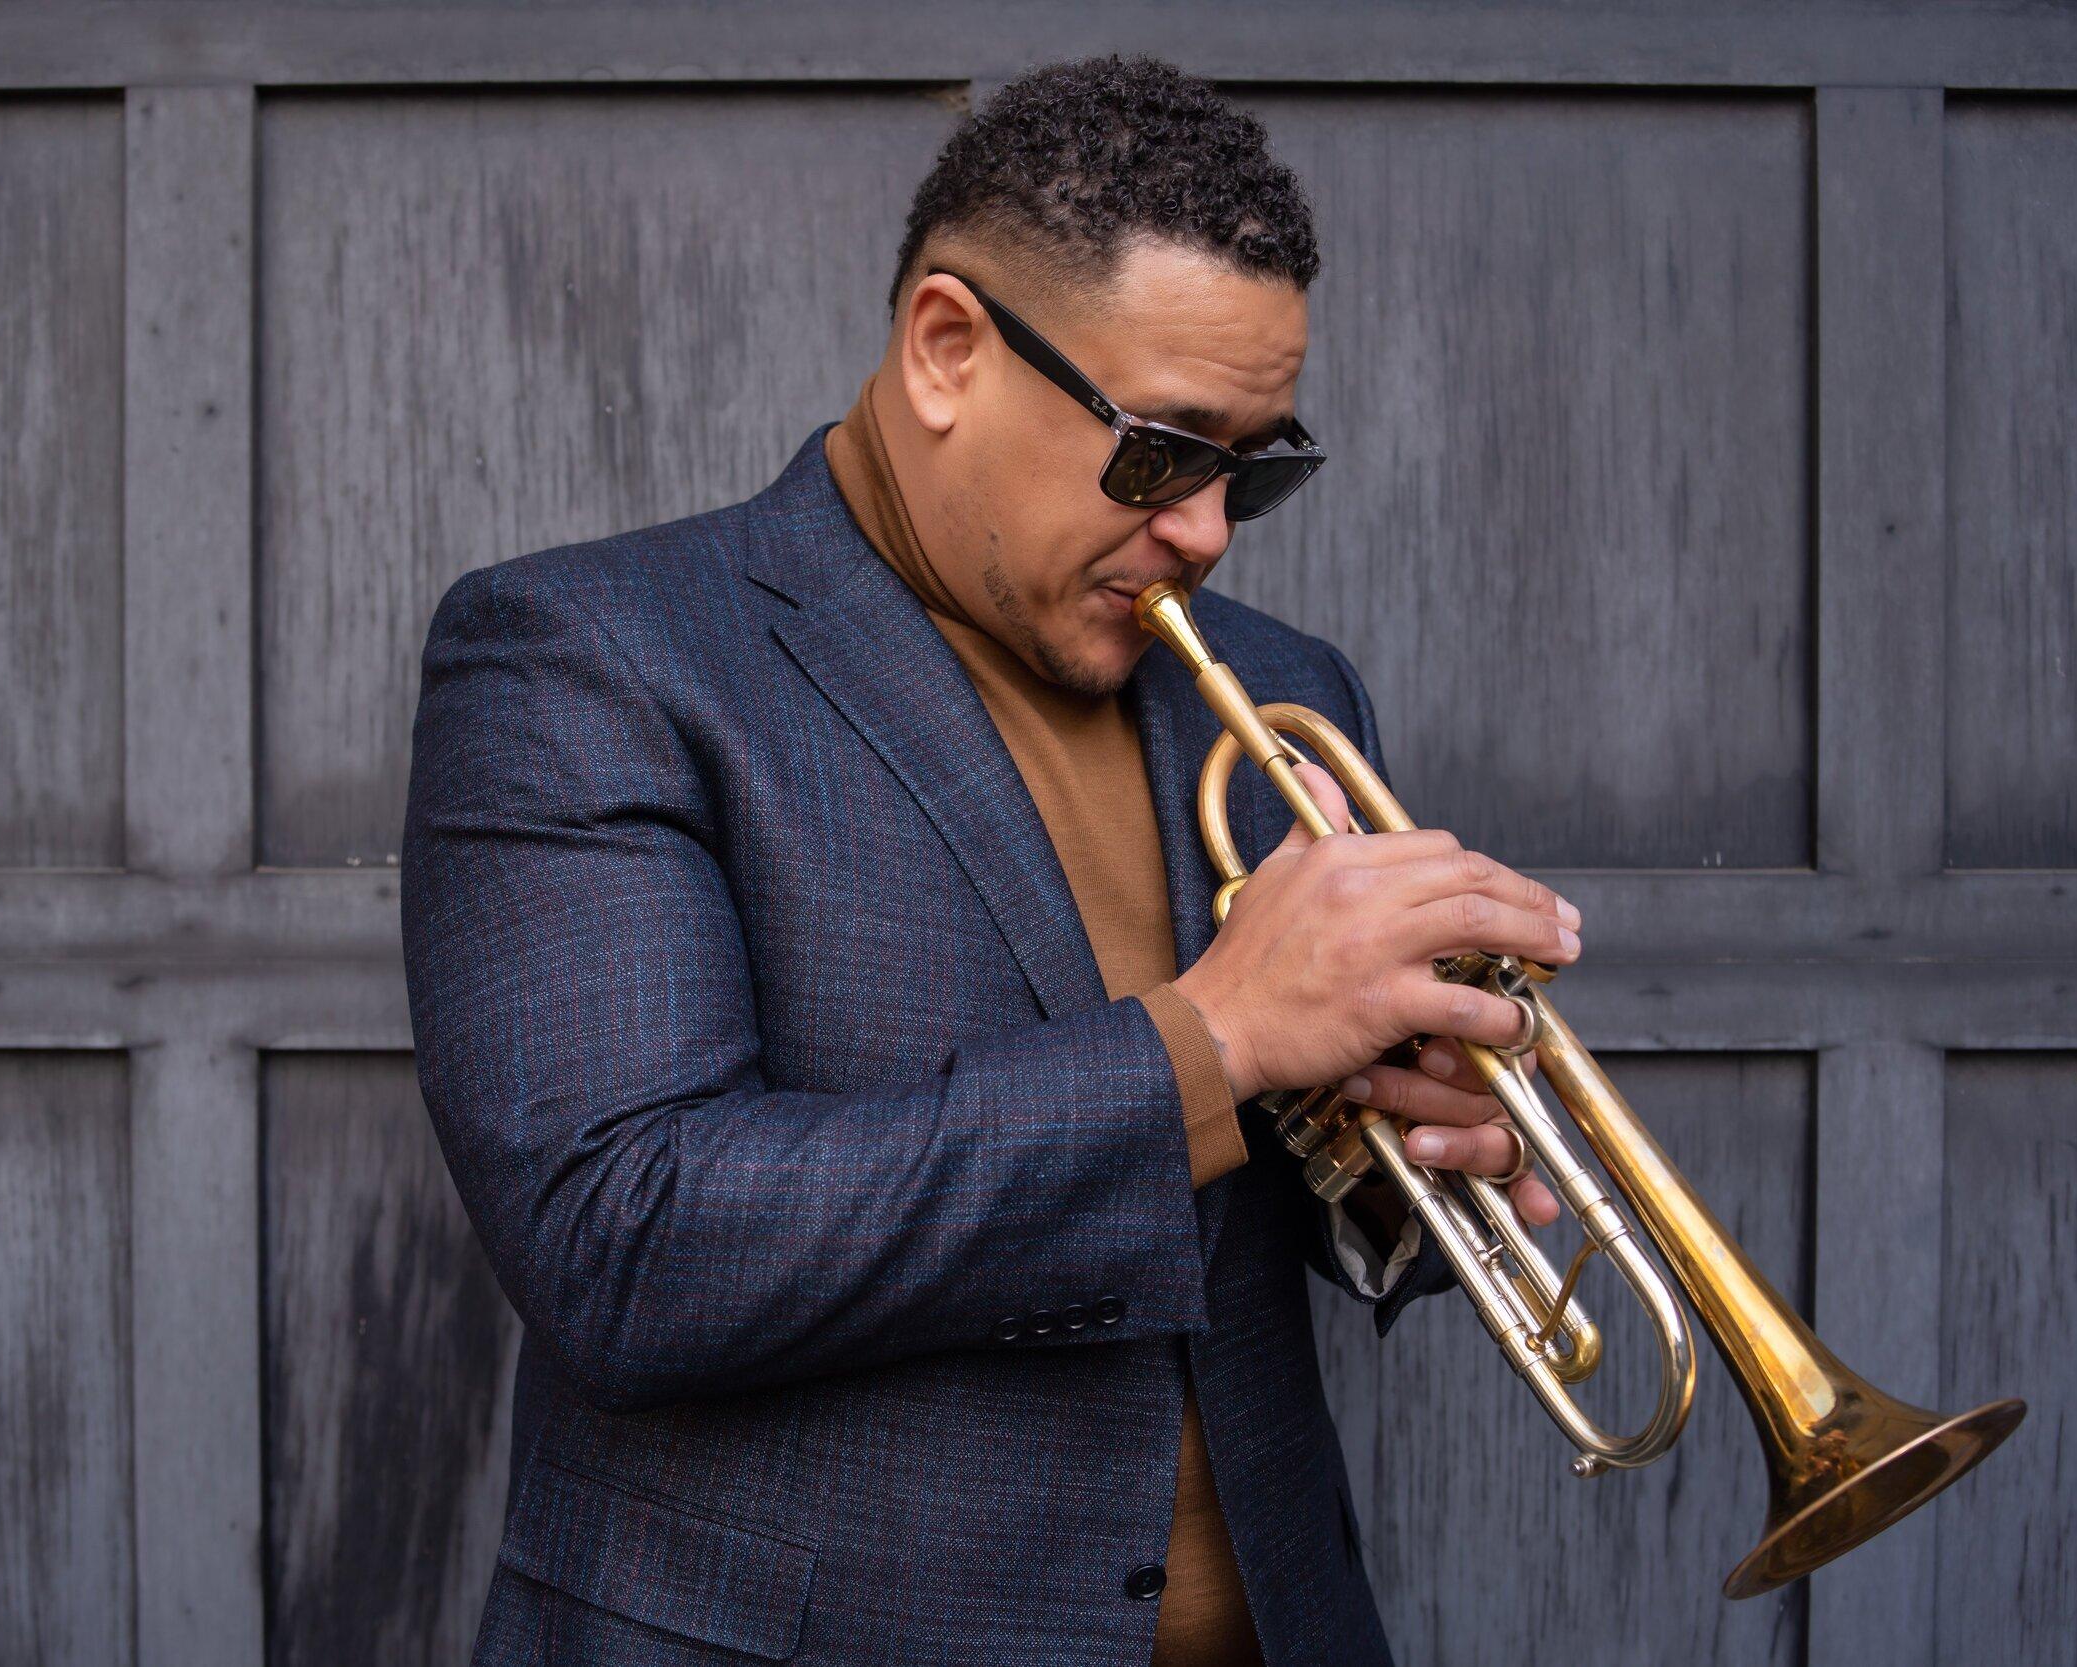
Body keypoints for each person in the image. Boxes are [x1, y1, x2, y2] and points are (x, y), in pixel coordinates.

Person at [401, 54, 1573, 1667]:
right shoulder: (586, 658)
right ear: (948, 349)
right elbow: (630, 1243)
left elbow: (1295, 1223)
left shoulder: (1287, 689)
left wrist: (1426, 1160)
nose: (1208, 530)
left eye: (1259, 465)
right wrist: (1221, 1040)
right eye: (1165, 451)